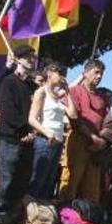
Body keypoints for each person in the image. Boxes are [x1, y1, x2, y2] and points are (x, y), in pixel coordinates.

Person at [0, 45, 39, 224]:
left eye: (32, 57)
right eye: (27, 57)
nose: (31, 60)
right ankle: (0, 215)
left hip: (27, 139)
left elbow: (36, 113)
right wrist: (24, 130)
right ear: (18, 59)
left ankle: (14, 215)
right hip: (11, 137)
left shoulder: (31, 86)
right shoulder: (8, 82)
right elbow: (9, 111)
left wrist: (33, 132)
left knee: (22, 179)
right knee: (7, 179)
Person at [59, 59, 108, 203]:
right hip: (78, 140)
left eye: (102, 73)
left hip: (97, 146)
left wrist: (103, 139)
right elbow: (75, 119)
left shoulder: (101, 97)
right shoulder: (75, 91)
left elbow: (107, 119)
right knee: (72, 179)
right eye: (96, 72)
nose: (99, 76)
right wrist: (92, 137)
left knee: (92, 184)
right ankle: (66, 213)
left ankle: (87, 215)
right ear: (85, 73)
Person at [27, 62, 67, 201]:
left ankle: (42, 213)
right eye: (59, 73)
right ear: (49, 73)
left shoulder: (57, 95)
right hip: (45, 140)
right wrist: (47, 132)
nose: (62, 76)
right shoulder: (41, 92)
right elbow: (32, 118)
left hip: (58, 140)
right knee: (38, 178)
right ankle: (30, 211)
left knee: (49, 180)